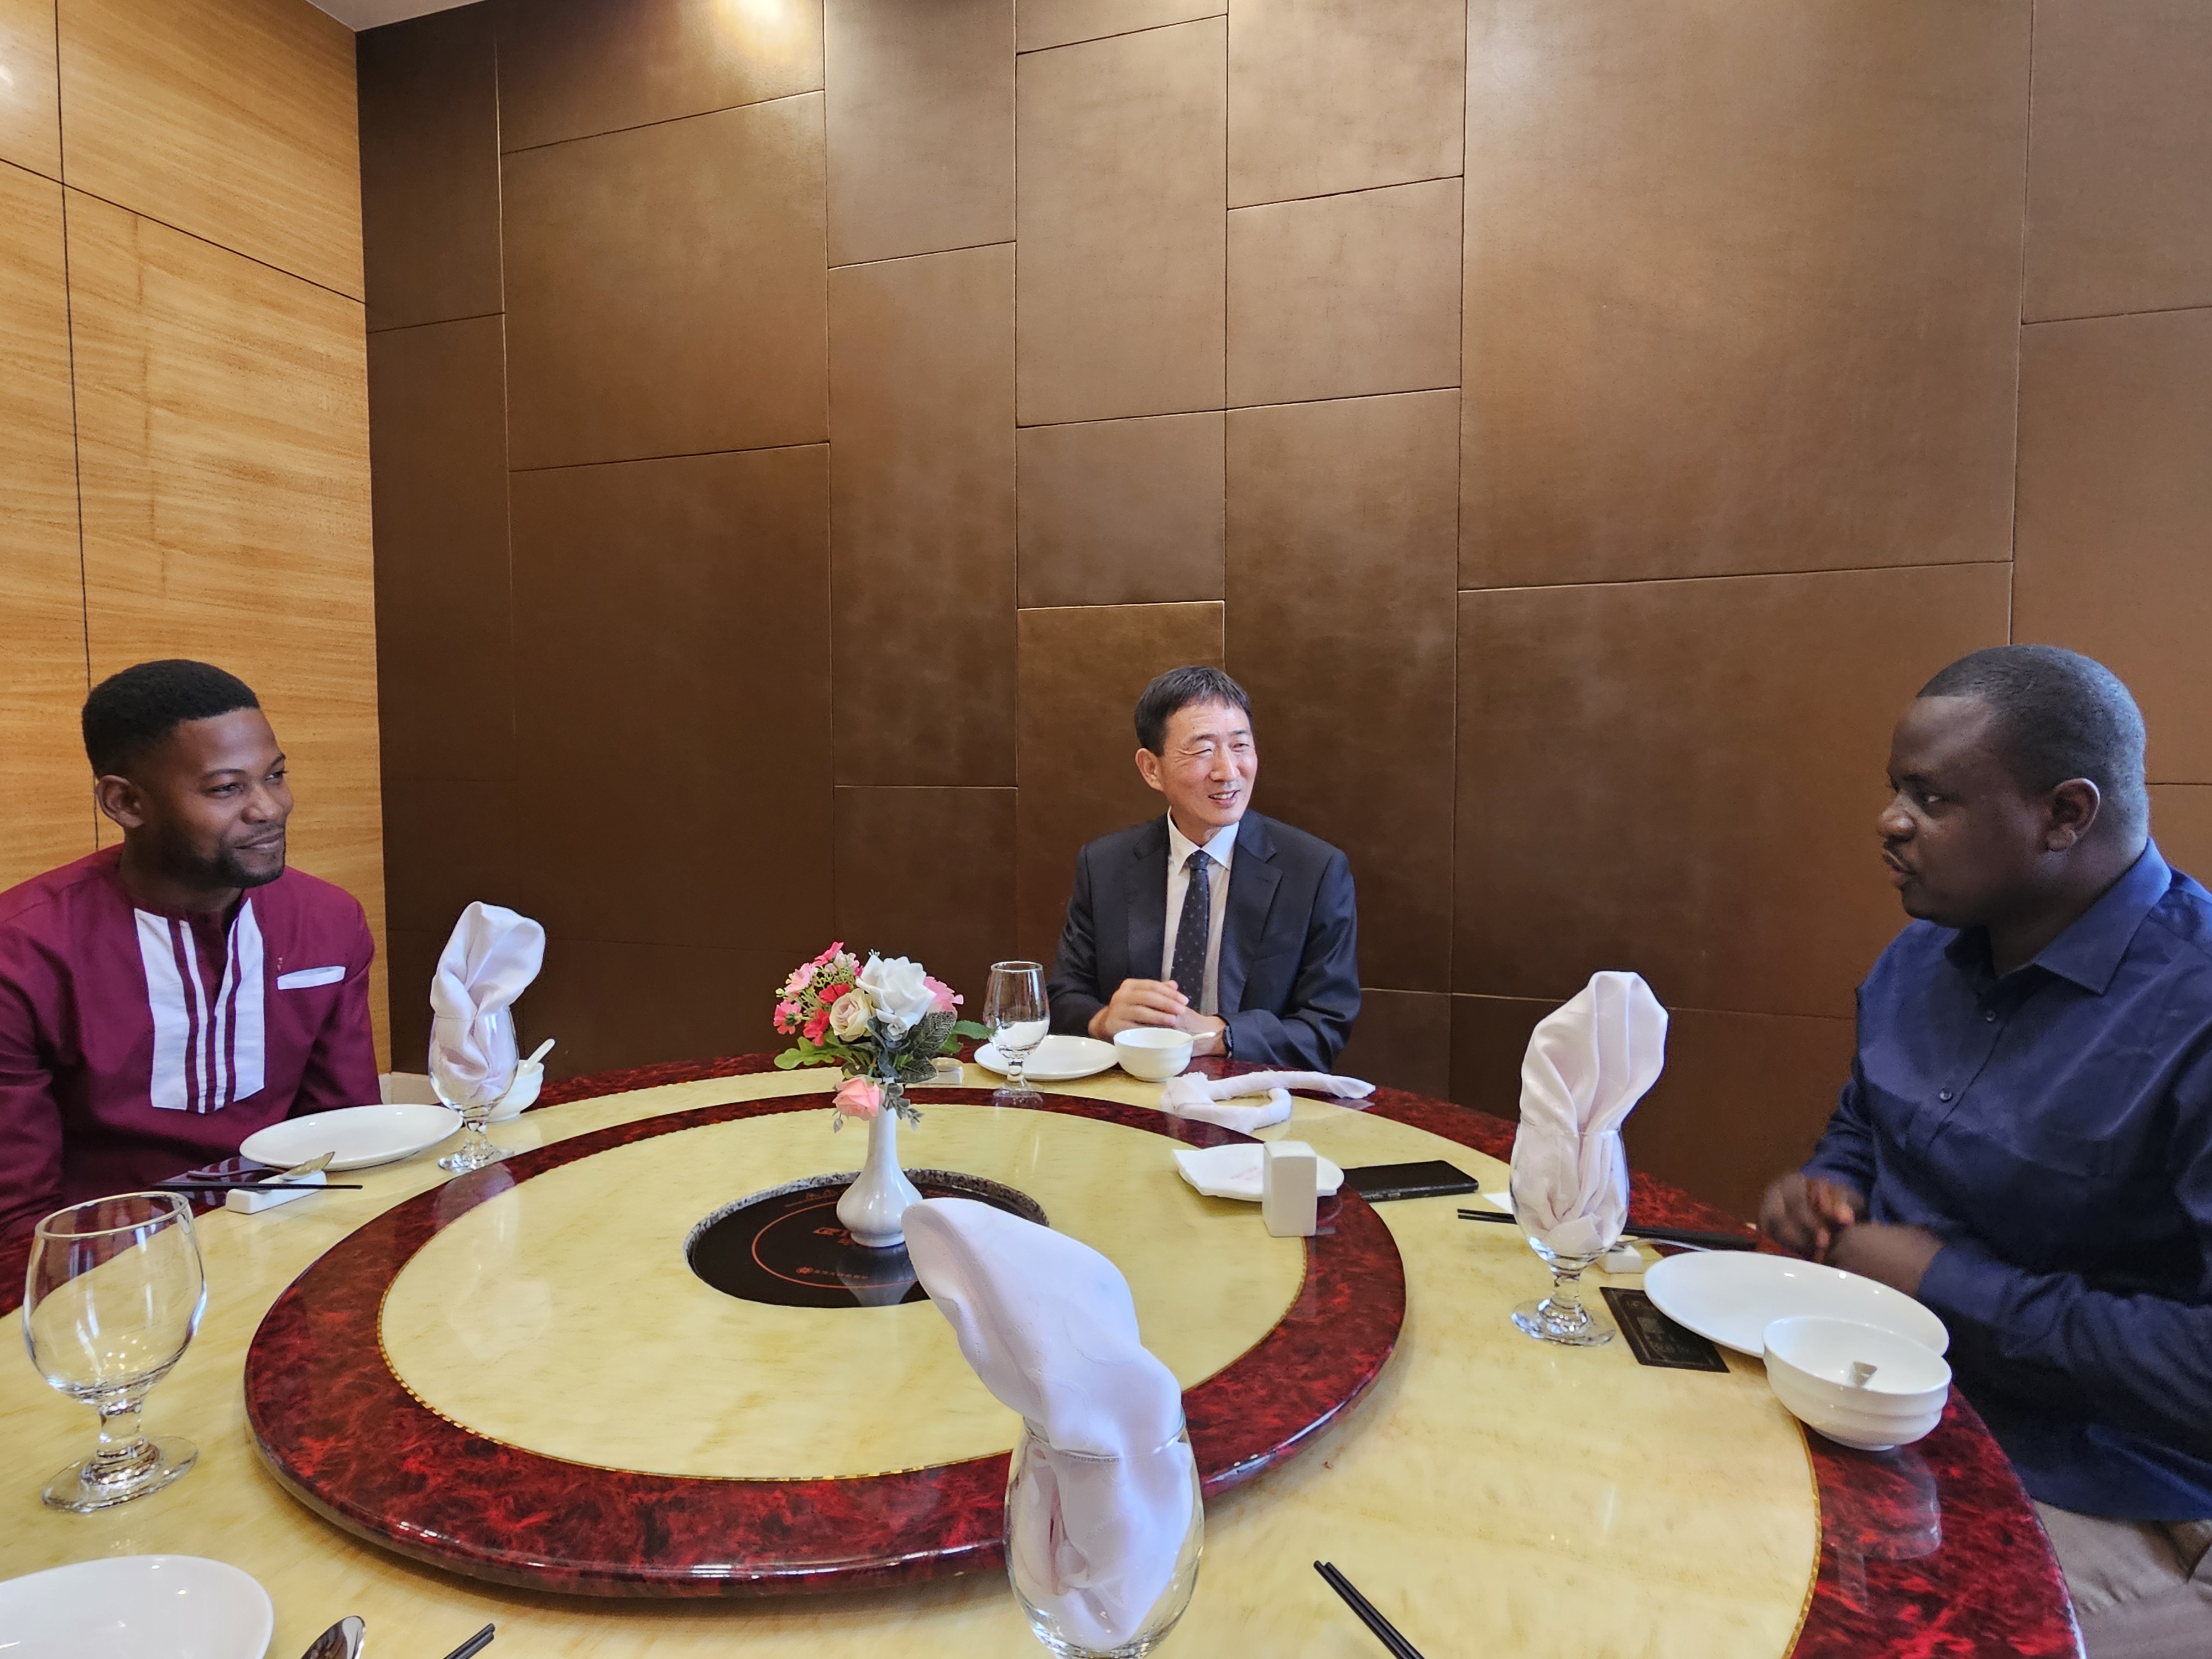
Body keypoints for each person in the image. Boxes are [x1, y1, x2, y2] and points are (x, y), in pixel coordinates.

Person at [1758, 645, 2212, 1656]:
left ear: (2065, 815)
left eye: (1932, 798)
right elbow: (1862, 1132)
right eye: (1894, 791)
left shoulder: (2197, 1010)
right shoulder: (1919, 958)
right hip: (1883, 1410)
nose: (1890, 822)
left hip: (2111, 1493)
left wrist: (1942, 1282)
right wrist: (1830, 1191)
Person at [0, 661, 378, 1238]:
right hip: (100, 1264)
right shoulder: (23, 951)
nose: (269, 808)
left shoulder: (329, 921)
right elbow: (16, 1212)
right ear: (125, 803)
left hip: (286, 1237)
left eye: (274, 776)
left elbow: (345, 1135)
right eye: (228, 788)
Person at [1046, 666, 1358, 1070]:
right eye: (1202, 750)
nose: (1228, 771)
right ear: (1151, 768)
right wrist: (1103, 1020)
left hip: (1255, 1101)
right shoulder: (1105, 864)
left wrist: (1216, 1035)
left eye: (1240, 746)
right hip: (1129, 1096)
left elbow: (1325, 1027)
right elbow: (1064, 996)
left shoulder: (1315, 871)